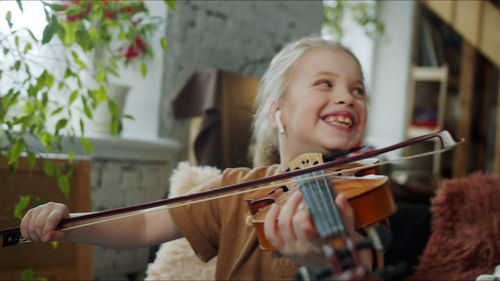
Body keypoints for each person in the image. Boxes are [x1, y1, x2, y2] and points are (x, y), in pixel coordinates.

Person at [20, 36, 392, 280]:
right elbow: (144, 226)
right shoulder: (237, 189)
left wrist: (319, 261)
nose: (348, 97)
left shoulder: (361, 193)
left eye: (357, 89)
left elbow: (367, 264)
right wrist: (71, 222)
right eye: (325, 83)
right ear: (278, 113)